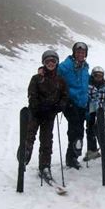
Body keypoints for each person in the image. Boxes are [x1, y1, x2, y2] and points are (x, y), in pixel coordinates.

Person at [21, 50, 68, 182]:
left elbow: (64, 96)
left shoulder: (60, 80)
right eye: (48, 61)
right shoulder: (36, 78)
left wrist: (59, 106)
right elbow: (32, 94)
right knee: (30, 135)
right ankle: (24, 155)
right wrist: (38, 107)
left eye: (53, 61)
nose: (51, 64)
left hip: (50, 115)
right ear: (43, 63)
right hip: (36, 113)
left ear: (57, 63)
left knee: (47, 141)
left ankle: (45, 166)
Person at [57, 42, 90, 169]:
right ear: (74, 53)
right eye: (78, 52)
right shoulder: (66, 65)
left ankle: (73, 157)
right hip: (70, 102)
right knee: (75, 129)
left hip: (82, 103)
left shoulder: (85, 67)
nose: (80, 54)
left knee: (79, 130)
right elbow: (55, 73)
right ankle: (71, 158)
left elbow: (86, 84)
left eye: (83, 52)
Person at [83, 66, 105, 161]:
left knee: (101, 128)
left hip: (101, 110)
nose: (98, 78)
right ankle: (92, 149)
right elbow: (87, 97)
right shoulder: (89, 85)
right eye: (96, 76)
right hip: (91, 111)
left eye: (100, 76)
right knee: (90, 129)